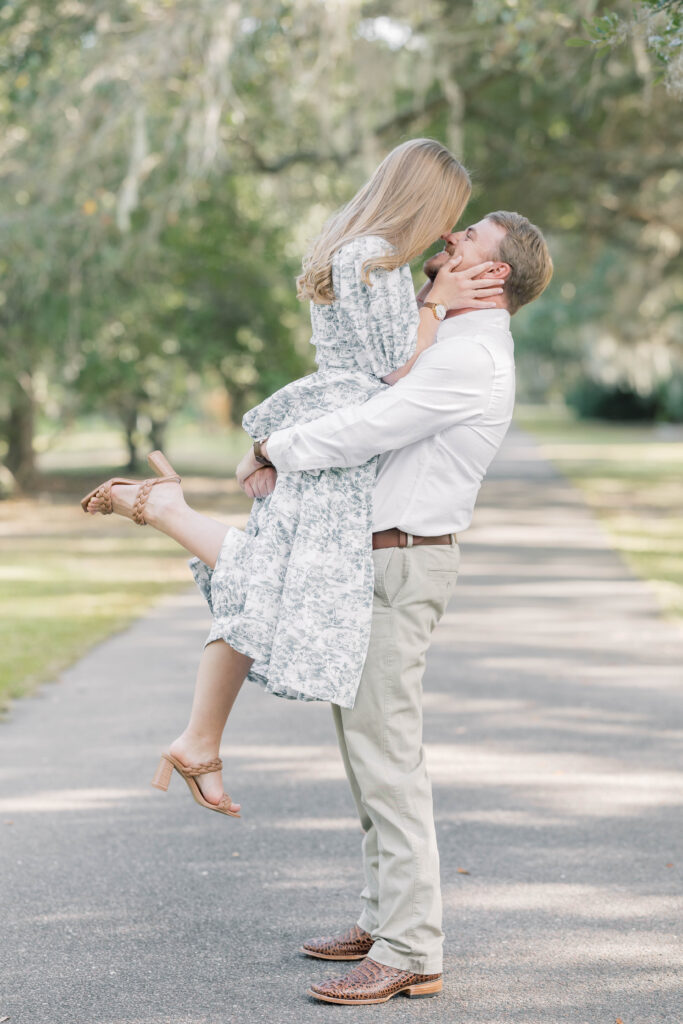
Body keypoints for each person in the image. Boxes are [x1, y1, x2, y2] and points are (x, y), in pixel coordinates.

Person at [81, 138, 503, 818]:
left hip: (327, 414)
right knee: (278, 573)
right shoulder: (375, 260)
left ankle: (199, 739)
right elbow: (399, 370)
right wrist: (437, 303)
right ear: (423, 200)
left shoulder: (355, 249)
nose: (450, 231)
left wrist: (428, 293)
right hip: (342, 433)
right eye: (450, 212)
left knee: (267, 576)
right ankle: (163, 512)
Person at [234, 210, 553, 1004]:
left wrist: (275, 446)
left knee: (388, 761)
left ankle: (411, 949)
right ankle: (382, 921)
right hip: (376, 561)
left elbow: (369, 426)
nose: (448, 243)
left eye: (466, 241)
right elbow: (377, 383)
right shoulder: (447, 341)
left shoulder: (470, 358)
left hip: (402, 563)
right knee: (364, 752)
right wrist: (430, 305)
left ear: (497, 273)